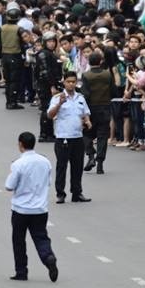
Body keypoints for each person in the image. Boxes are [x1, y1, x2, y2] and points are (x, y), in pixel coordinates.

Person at [4, 131, 58, 283]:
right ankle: (48, 257)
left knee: (19, 240)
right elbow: (48, 182)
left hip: (20, 209)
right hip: (40, 209)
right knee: (41, 237)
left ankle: (21, 271)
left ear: (21, 144)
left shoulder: (18, 164)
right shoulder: (45, 161)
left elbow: (9, 186)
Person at [47, 71, 92, 204]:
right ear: (64, 82)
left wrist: (87, 121)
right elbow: (50, 115)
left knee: (77, 167)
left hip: (77, 136)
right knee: (62, 166)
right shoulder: (57, 98)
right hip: (63, 137)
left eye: (73, 82)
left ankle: (77, 193)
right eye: (69, 82)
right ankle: (60, 193)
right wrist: (59, 104)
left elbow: (85, 113)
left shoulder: (80, 98)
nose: (71, 84)